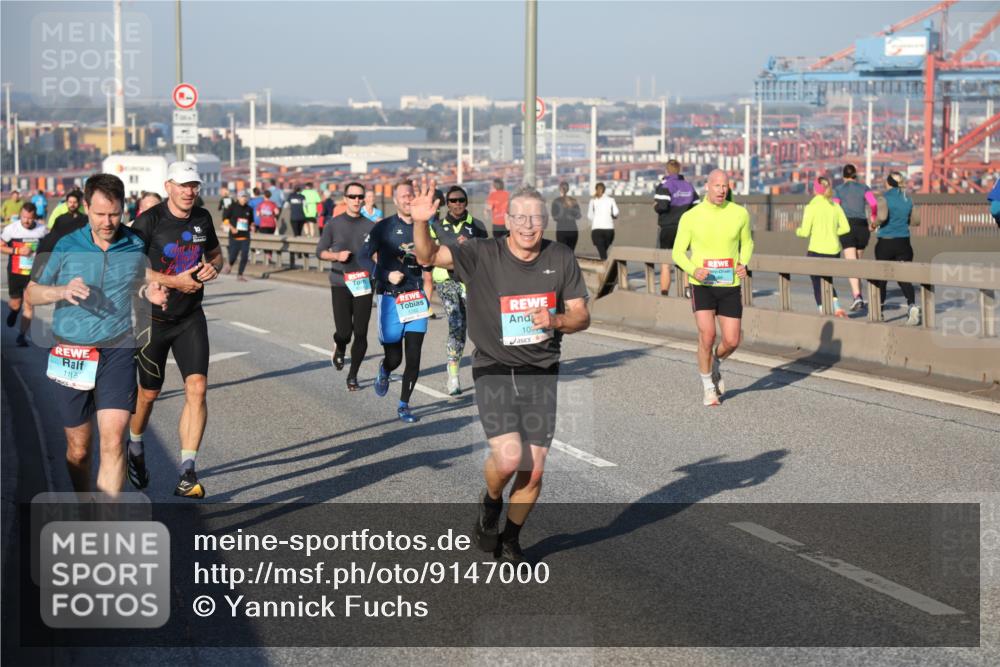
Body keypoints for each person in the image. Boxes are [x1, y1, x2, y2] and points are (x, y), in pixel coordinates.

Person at [412, 180, 590, 564]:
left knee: (534, 469)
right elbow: (427, 256)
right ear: (506, 220)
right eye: (520, 217)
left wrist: (556, 319)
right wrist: (421, 223)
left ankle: (511, 539)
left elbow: (582, 315)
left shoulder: (560, 257)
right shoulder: (481, 253)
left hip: (541, 368)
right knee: (510, 459)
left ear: (545, 221)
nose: (528, 225)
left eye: (536, 218)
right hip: (494, 366)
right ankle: (491, 501)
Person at [25, 173, 168, 495]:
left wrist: (150, 293)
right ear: (86, 207)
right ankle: (83, 503)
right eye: (100, 214)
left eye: (114, 214)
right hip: (71, 352)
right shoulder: (66, 244)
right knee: (78, 450)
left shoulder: (133, 243)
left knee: (114, 441)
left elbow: (136, 283)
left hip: (117, 348)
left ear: (123, 209)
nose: (107, 222)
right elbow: (32, 294)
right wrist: (61, 291)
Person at [129, 161, 223, 498]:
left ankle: (187, 471)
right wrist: (173, 281)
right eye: (183, 185)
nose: (189, 191)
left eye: (194, 185)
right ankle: (136, 444)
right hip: (152, 320)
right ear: (168, 185)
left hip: (190, 317)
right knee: (148, 394)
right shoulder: (148, 221)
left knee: (197, 388)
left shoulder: (202, 218)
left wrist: (213, 268)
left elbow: (216, 255)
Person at [672, 169, 754, 407]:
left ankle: (715, 361)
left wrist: (743, 263)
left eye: (725, 186)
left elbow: (747, 243)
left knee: (732, 340)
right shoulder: (692, 216)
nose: (721, 190)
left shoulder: (740, 214)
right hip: (702, 284)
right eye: (716, 185)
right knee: (707, 336)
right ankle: (708, 387)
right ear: (707, 187)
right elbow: (677, 252)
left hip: (729, 283)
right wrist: (692, 270)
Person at [360, 179, 431, 423]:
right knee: (395, 358)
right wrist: (385, 274)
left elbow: (432, 256)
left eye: (411, 195)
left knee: (414, 356)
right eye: (403, 196)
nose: (408, 199)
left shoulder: (425, 226)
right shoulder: (383, 227)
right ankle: (385, 369)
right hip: (390, 297)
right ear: (395, 200)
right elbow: (363, 257)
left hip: (415, 298)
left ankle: (404, 405)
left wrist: (429, 274)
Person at [428, 185, 488, 395]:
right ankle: (453, 375)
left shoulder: (477, 226)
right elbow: (428, 255)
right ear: (447, 203)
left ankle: (487, 371)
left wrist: (471, 245)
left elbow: (486, 255)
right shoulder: (436, 226)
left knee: (478, 327)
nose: (457, 204)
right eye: (453, 200)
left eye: (461, 200)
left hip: (470, 281)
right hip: (446, 281)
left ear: (466, 202)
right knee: (456, 324)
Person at [316, 181, 376, 391]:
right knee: (345, 332)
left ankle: (353, 375)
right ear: (345, 198)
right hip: (340, 283)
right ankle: (339, 345)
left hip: (364, 283)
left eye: (360, 197)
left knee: (361, 332)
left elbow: (378, 254)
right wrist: (336, 255)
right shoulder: (334, 224)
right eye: (353, 197)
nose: (357, 200)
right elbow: (320, 252)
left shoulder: (371, 226)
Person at [871, 171, 921, 326]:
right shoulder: (908, 199)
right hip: (904, 243)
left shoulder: (884, 198)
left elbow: (882, 217)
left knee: (882, 278)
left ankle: (879, 311)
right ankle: (912, 305)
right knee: (904, 277)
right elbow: (916, 221)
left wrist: (874, 224)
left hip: (886, 243)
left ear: (888, 183)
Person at [796, 176, 849, 317]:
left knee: (816, 281)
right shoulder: (835, 206)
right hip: (834, 250)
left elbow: (805, 232)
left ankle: (821, 309)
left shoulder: (811, 207)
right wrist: (833, 233)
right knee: (828, 280)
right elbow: (846, 228)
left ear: (816, 189)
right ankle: (836, 306)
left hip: (816, 249)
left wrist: (798, 231)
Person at [1, 202, 48, 346]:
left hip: (34, 273)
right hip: (16, 271)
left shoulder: (42, 230)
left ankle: (21, 336)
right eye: (24, 217)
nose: (26, 221)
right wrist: (17, 251)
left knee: (29, 304)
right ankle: (14, 312)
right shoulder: (11, 229)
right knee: (16, 304)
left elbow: (49, 246)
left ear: (35, 217)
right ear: (20, 215)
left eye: (30, 218)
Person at [833, 163, 878, 311]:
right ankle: (858, 296)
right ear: (855, 175)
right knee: (856, 263)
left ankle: (857, 296)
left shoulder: (838, 190)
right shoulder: (864, 188)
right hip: (862, 227)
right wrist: (873, 219)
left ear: (844, 176)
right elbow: (873, 203)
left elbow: (836, 208)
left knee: (851, 264)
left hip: (847, 227)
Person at [654, 160, 700, 296]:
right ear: (679, 170)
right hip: (685, 228)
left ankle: (664, 293)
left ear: (667, 170)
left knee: (665, 263)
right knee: (685, 260)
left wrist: (655, 206)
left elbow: (662, 206)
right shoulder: (688, 186)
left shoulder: (665, 185)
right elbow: (697, 206)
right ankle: (687, 291)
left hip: (668, 227)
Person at [222, 189, 254, 281]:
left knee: (244, 256)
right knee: (233, 255)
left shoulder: (249, 209)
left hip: (245, 236)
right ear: (238, 198)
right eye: (242, 197)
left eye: (246, 197)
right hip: (234, 236)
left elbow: (251, 221)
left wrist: (252, 226)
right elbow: (225, 218)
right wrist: (232, 228)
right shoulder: (232, 207)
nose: (244, 199)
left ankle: (240, 275)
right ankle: (229, 264)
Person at [587, 182, 619, 261]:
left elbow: (589, 216)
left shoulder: (593, 201)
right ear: (604, 190)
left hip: (597, 229)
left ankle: (607, 268)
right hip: (609, 230)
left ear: (596, 189)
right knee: (603, 252)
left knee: (603, 254)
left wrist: (597, 219)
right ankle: (607, 267)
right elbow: (616, 212)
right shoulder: (611, 200)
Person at [550, 181, 581, 250]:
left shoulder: (556, 201)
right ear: (568, 189)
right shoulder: (573, 201)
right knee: (571, 252)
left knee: (562, 253)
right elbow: (578, 216)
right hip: (573, 230)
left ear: (559, 189)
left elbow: (555, 217)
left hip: (561, 230)